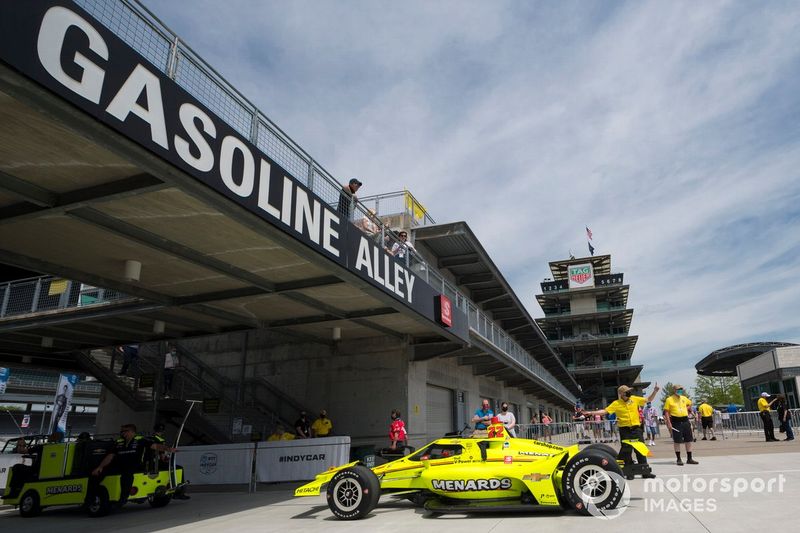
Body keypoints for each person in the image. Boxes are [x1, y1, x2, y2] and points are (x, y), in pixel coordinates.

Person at [86, 424, 175, 508]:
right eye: (121, 431)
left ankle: (123, 499)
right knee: (95, 474)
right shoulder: (119, 441)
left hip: (135, 464)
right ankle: (89, 499)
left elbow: (155, 446)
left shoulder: (141, 440)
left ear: (132, 431)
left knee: (127, 474)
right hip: (119, 464)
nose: (122, 433)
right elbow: (110, 455)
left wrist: (168, 449)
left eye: (125, 431)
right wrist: (100, 467)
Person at [582, 383, 660, 479]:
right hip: (625, 430)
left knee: (640, 450)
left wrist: (655, 391)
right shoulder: (616, 404)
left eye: (629, 391)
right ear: (622, 394)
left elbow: (648, 399)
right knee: (626, 451)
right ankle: (629, 472)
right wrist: (591, 412)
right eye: (627, 392)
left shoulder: (634, 399)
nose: (629, 393)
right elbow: (605, 411)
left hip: (636, 429)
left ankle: (645, 472)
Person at [664, 384, 698, 465]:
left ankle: (689, 459)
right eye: (678, 389)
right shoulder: (669, 399)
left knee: (688, 440)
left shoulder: (684, 398)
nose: (680, 391)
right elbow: (666, 412)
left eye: (681, 389)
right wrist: (669, 423)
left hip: (685, 420)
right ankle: (678, 459)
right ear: (674, 390)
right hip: (676, 421)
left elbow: (690, 403)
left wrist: (687, 408)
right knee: (677, 441)